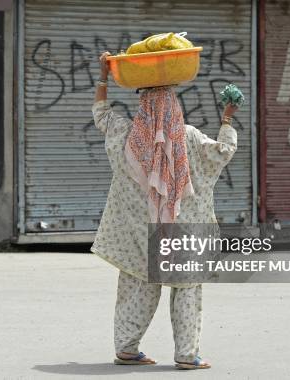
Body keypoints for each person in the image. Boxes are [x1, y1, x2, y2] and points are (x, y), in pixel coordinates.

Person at [91, 52, 238, 369]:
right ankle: (187, 355)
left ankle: (127, 348)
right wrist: (227, 118)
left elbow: (101, 114)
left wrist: (103, 75)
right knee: (186, 288)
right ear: (176, 107)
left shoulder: (127, 136)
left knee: (137, 283)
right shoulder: (190, 138)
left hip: (137, 234)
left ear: (142, 106)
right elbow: (223, 152)